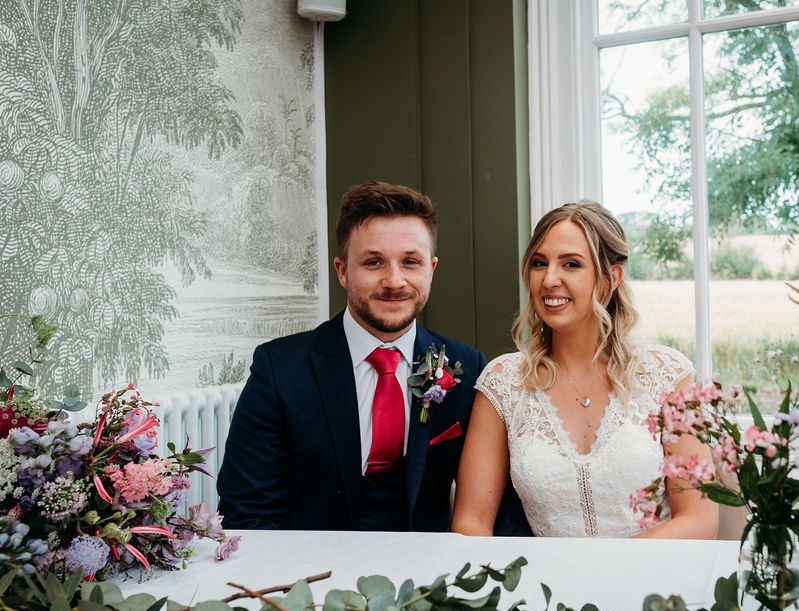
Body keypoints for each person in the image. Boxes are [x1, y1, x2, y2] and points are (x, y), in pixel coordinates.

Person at [217, 181, 527, 533]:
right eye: (374, 262)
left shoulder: (467, 366)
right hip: (310, 578)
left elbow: (492, 505)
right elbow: (247, 513)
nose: (394, 281)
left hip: (427, 579)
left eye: (410, 261)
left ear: (431, 270)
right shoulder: (279, 369)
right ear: (342, 271)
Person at [451, 200, 719, 538]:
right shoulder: (503, 383)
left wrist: (599, 572)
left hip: (655, 581)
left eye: (571, 264)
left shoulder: (667, 375)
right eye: (539, 263)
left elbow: (699, 521)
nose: (549, 279)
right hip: (546, 588)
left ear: (610, 278)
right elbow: (470, 524)